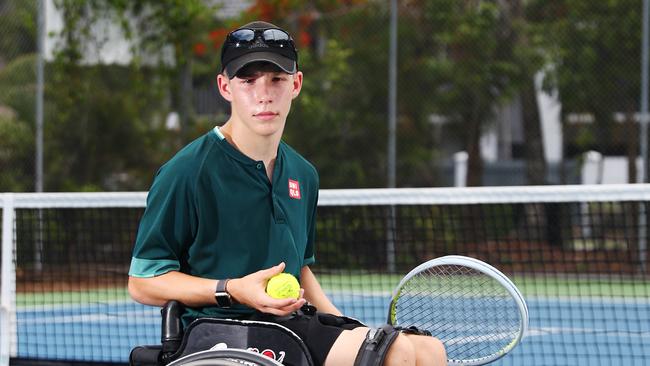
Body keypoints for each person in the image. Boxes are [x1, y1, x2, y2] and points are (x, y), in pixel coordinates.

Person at [128, 20, 446, 366]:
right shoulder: (187, 171)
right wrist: (231, 289)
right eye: (248, 81)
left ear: (296, 84)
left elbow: (300, 272)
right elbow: (142, 282)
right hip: (221, 332)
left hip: (290, 325)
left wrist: (353, 328)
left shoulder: (303, 174)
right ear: (225, 87)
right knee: (395, 355)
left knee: (427, 350)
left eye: (276, 79)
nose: (263, 94)